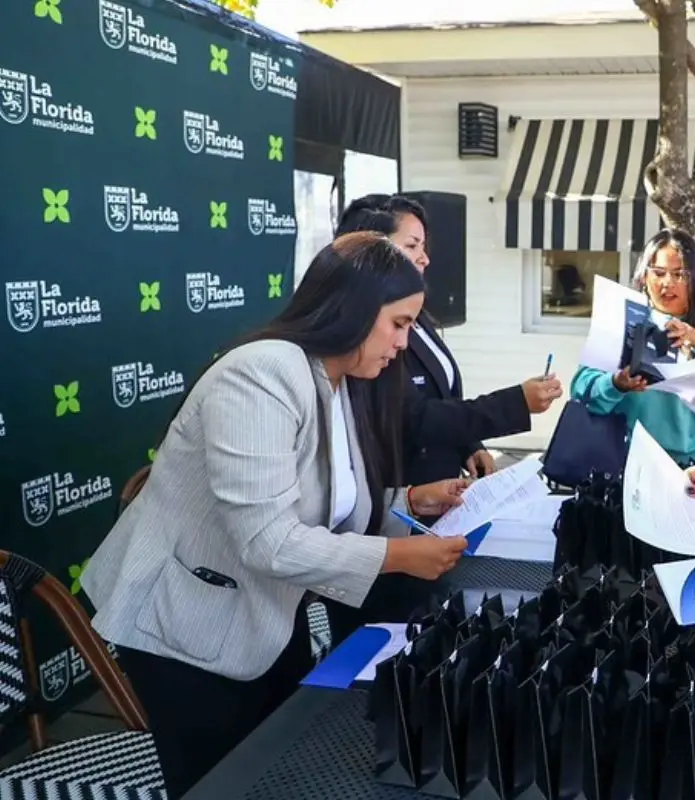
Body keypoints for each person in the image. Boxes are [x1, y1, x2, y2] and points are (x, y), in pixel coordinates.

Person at [81, 233, 473, 798]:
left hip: (267, 615)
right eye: (398, 324)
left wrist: (407, 503)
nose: (404, 343)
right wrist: (396, 556)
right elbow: (268, 540)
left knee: (281, 768)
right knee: (221, 782)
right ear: (354, 309)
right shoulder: (261, 376)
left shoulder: (337, 379)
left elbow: (320, 500)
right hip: (186, 623)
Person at [336, 195, 563, 487]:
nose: (424, 258)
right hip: (400, 491)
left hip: (441, 489)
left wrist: (469, 445)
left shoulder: (420, 315)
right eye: (411, 246)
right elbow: (413, 418)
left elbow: (443, 398)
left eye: (424, 246)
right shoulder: (364, 333)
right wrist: (515, 403)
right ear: (371, 251)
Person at [567, 228, 695, 466]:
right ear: (644, 276)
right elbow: (580, 390)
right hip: (629, 460)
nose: (667, 284)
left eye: (679, 274)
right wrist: (615, 385)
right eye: (659, 273)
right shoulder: (625, 319)